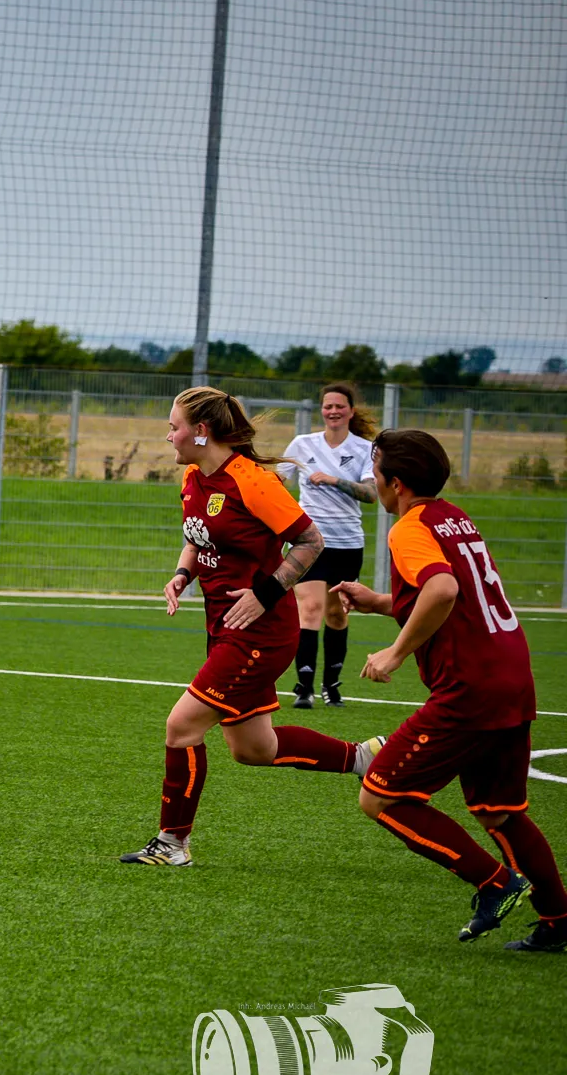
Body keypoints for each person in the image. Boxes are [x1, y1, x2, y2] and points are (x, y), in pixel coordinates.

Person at [120, 387, 383, 868]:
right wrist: (182, 574)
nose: (168, 436)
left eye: (174, 427)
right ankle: (363, 758)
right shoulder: (194, 477)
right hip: (224, 627)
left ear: (201, 432)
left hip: (261, 633)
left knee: (181, 726)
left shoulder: (253, 481)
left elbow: (310, 541)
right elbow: (196, 536)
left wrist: (267, 591)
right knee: (254, 748)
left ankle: (172, 843)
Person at [337, 430, 564, 950]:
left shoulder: (409, 527)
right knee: (499, 810)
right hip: (511, 673)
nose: (373, 480)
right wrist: (380, 601)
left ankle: (496, 883)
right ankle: (559, 919)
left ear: (396, 483)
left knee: (381, 796)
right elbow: (456, 591)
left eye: (375, 472)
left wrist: (395, 652)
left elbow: (442, 589)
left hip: (470, 687)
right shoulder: (454, 516)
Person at [276, 383, 378, 707]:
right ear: (321, 410)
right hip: (309, 541)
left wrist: (334, 480)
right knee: (309, 609)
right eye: (328, 406)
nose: (333, 411)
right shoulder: (302, 443)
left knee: (336, 613)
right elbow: (276, 483)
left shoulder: (365, 448)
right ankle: (303, 688)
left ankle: (331, 686)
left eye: (339, 406)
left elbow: (371, 494)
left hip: (347, 543)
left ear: (351, 411)